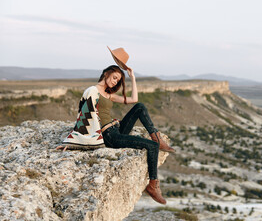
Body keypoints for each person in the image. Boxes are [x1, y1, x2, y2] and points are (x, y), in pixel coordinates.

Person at [57, 47, 175, 205]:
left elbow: (133, 99)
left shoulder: (108, 94)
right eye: (113, 78)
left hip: (116, 129)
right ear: (106, 74)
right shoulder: (93, 91)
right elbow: (84, 117)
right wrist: (72, 141)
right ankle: (153, 185)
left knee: (139, 106)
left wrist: (132, 77)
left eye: (118, 80)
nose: (115, 82)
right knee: (151, 146)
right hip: (109, 136)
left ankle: (156, 135)